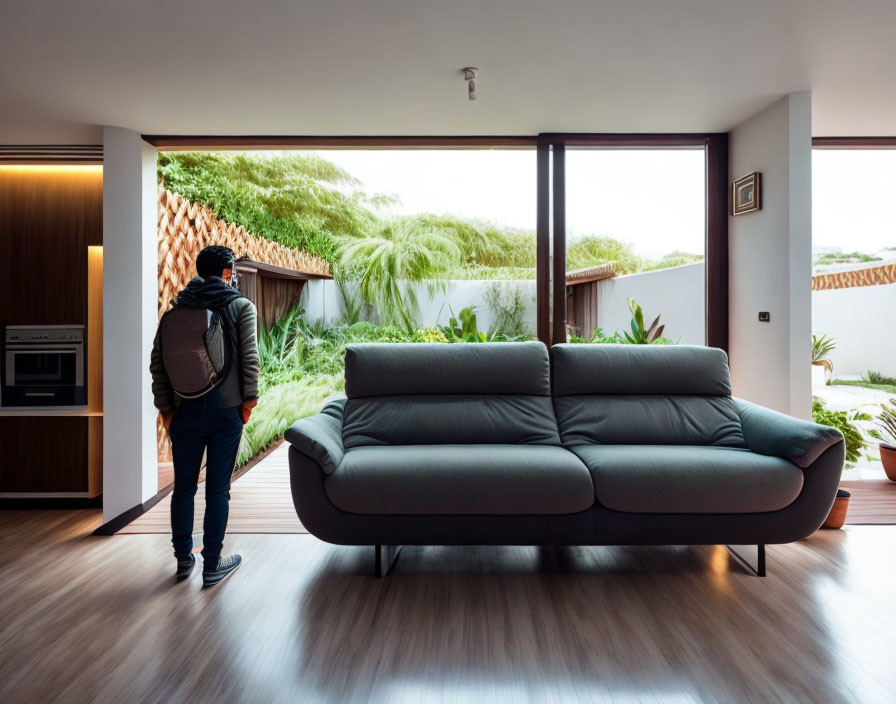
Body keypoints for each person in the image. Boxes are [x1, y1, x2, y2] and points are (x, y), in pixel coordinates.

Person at [150, 245, 259, 587]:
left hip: (184, 412)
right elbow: (250, 360)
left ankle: (184, 560)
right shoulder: (240, 306)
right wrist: (248, 404)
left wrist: (167, 410)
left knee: (183, 489)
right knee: (218, 490)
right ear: (227, 272)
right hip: (226, 412)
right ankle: (212, 563)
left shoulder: (177, 309)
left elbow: (158, 364)